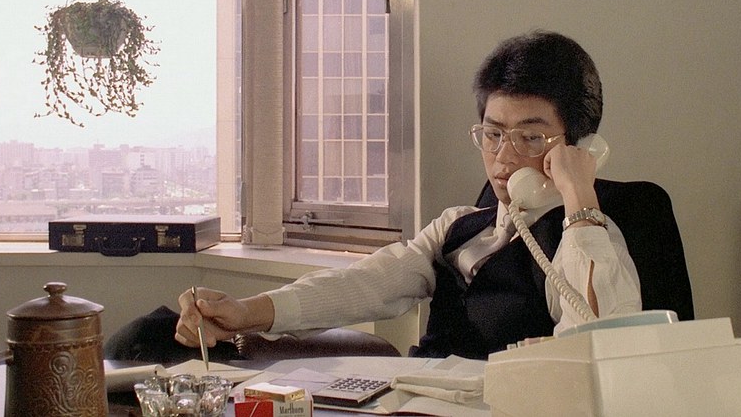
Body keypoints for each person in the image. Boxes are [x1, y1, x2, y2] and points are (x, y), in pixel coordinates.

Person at [175, 30, 642, 360]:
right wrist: (246, 312)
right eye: (493, 134)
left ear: (578, 148)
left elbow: (604, 349)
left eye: (531, 137)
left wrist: (580, 198)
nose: (504, 156)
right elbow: (365, 285)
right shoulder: (458, 226)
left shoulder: (587, 241)